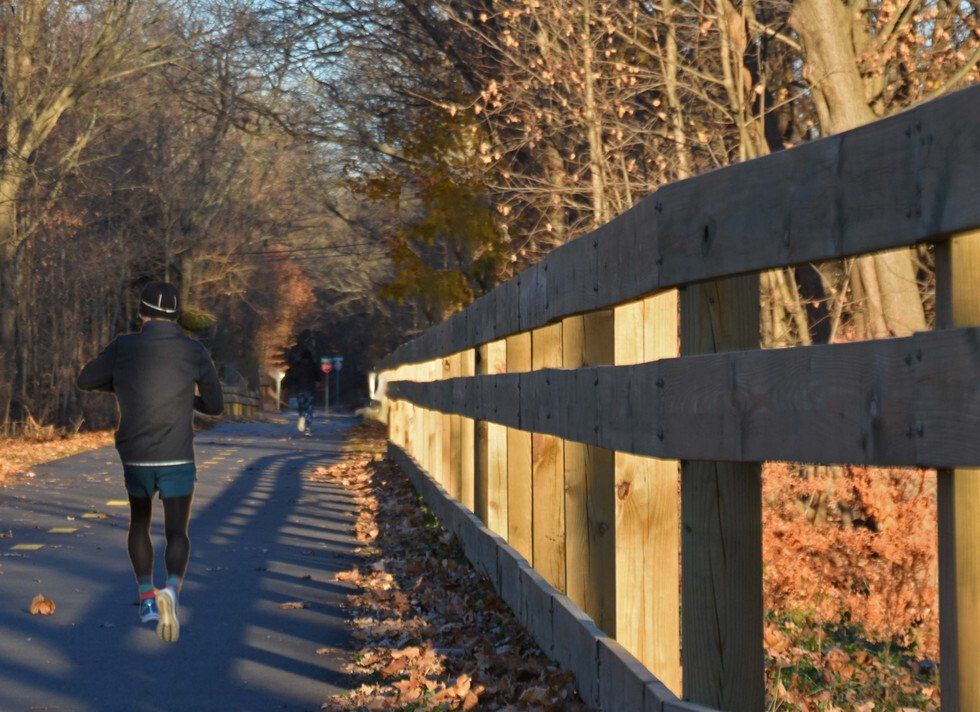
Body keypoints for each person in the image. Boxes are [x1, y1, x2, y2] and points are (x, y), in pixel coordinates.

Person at [77, 281, 223, 643]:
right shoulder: (193, 350)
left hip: (137, 456)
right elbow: (216, 405)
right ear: (176, 316)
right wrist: (188, 399)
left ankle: (146, 599)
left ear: (142, 313)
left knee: (139, 523)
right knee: (177, 533)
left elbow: (86, 379)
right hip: (177, 455)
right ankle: (171, 589)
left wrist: (122, 383)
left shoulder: (124, 347)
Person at [285, 348, 321, 437]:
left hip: (300, 390)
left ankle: (301, 416)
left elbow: (292, 377)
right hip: (310, 390)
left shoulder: (297, 366)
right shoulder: (313, 366)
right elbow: (318, 377)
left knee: (301, 407)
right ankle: (307, 428)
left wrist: (289, 385)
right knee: (309, 408)